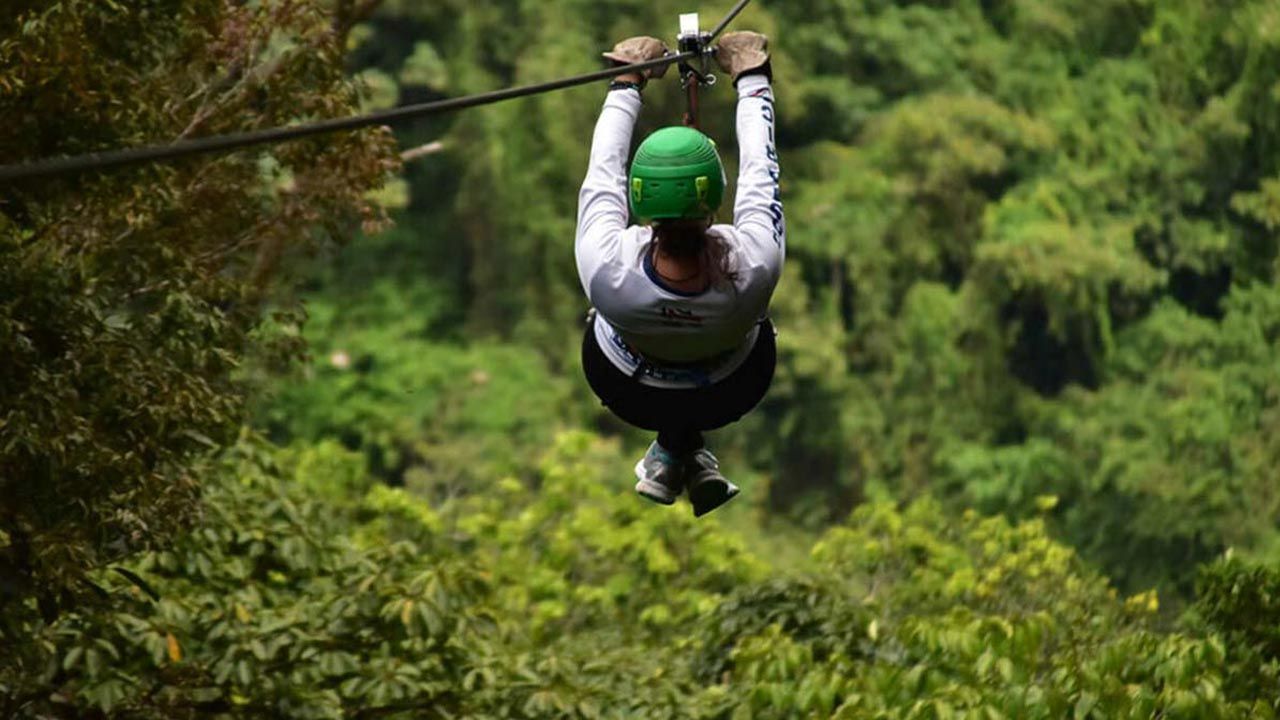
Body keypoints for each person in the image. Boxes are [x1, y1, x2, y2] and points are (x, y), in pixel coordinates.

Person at [575, 31, 784, 517]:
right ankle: (680, 452)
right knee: (736, 343)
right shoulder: (752, 263)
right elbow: (760, 171)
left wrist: (626, 81)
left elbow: (602, 172)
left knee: (641, 347)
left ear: (640, 199)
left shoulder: (608, 265)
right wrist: (753, 78)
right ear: (712, 197)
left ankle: (674, 451)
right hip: (731, 391)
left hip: (629, 390)